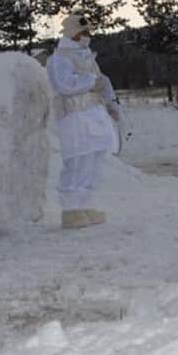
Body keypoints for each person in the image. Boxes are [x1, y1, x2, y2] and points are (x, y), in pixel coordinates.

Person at [47, 13, 121, 215]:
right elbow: (64, 84)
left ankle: (84, 205)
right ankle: (70, 209)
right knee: (77, 162)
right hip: (74, 117)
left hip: (93, 115)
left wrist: (111, 103)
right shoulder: (60, 58)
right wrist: (89, 81)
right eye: (83, 32)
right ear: (73, 33)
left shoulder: (87, 57)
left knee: (93, 161)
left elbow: (102, 81)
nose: (87, 36)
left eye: (88, 32)